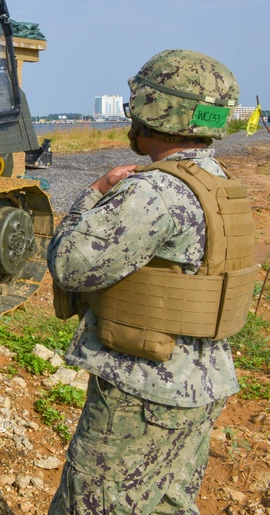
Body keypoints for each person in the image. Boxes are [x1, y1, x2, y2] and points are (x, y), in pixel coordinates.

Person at [47, 49, 258, 514]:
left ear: (154, 110)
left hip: (144, 390)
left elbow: (70, 264)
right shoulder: (221, 182)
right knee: (166, 505)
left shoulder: (153, 190)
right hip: (202, 385)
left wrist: (93, 194)